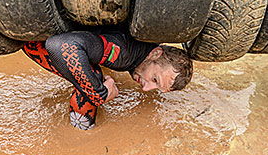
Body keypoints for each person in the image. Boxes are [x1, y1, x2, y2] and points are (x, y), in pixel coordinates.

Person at [23, 27, 193, 130]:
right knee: (93, 81)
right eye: (154, 80)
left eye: (156, 88)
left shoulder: (144, 45)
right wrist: (97, 93)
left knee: (95, 64)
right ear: (156, 53)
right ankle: (81, 137)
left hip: (64, 32)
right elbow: (61, 46)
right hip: (34, 41)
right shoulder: (124, 54)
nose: (146, 88)